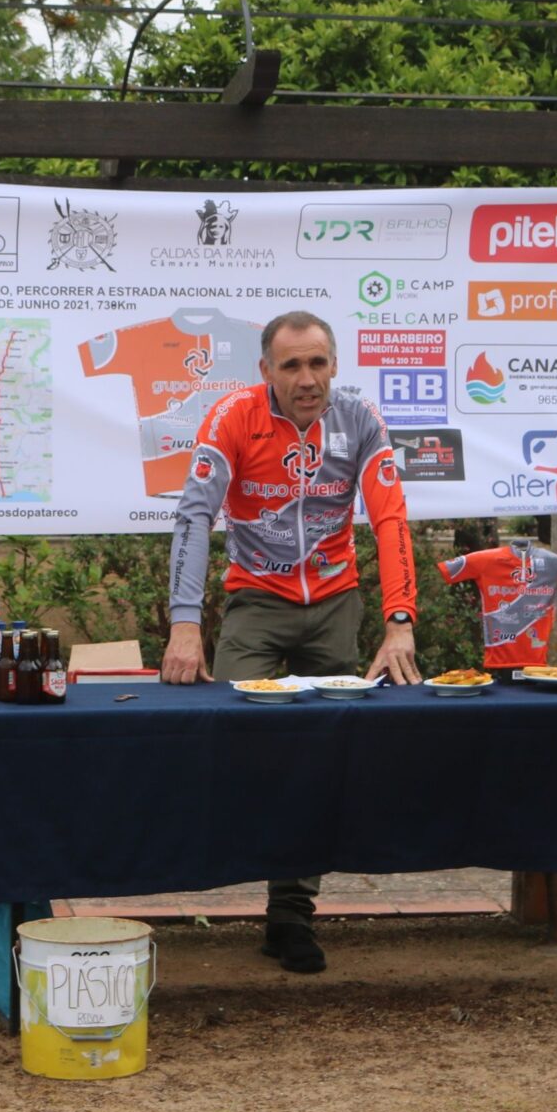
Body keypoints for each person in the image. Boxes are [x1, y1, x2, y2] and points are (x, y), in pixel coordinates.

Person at [162, 310, 421, 973]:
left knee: (323, 753)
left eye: (318, 364)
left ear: (334, 364)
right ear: (266, 372)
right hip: (256, 598)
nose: (307, 380)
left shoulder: (360, 419)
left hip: (335, 602)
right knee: (231, 736)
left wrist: (400, 620)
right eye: (291, 366)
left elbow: (389, 513)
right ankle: (217, 865)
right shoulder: (233, 416)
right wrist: (186, 623)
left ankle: (292, 912)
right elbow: (195, 512)